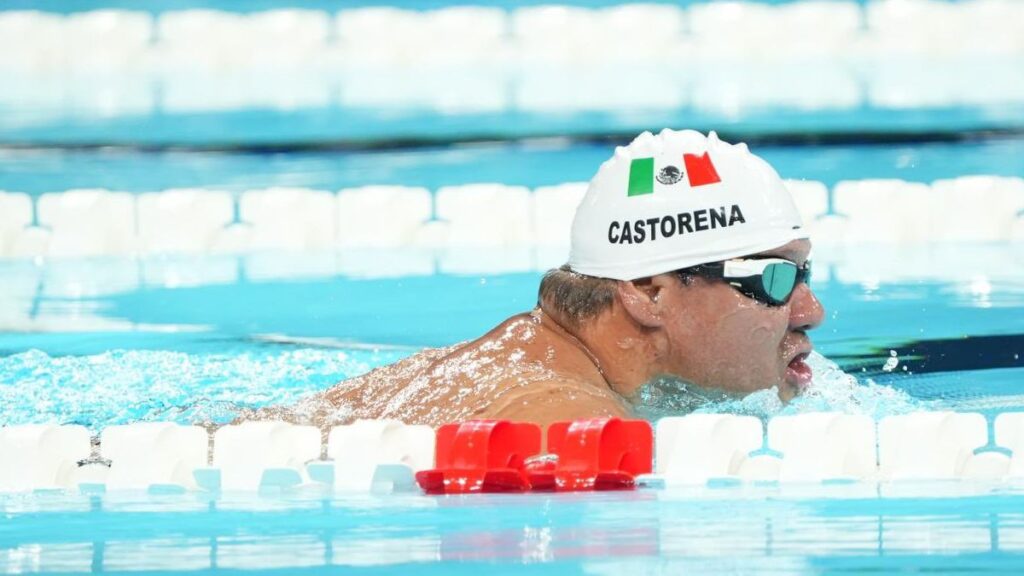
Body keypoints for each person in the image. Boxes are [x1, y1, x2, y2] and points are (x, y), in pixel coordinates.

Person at [271, 129, 824, 429]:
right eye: (774, 278)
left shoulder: (524, 363)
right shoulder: (567, 422)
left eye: (804, 273)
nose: (810, 310)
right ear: (649, 292)